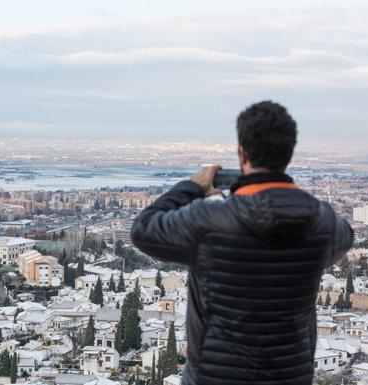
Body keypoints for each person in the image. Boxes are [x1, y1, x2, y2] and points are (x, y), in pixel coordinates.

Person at [131, 101, 353, 385]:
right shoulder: (324, 222)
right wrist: (295, 197)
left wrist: (192, 188)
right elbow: (344, 236)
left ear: (242, 152)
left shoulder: (209, 220)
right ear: (290, 151)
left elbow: (144, 229)